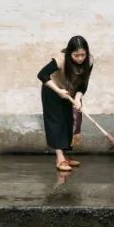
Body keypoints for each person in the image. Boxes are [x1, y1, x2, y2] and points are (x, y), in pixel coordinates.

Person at [38, 36, 93, 172]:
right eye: (76, 55)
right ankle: (60, 158)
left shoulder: (89, 61)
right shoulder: (60, 60)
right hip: (52, 91)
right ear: (69, 53)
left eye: (83, 55)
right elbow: (42, 75)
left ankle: (65, 156)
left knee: (69, 122)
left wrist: (79, 98)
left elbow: (83, 83)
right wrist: (58, 91)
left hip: (71, 93)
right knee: (57, 123)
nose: (80, 58)